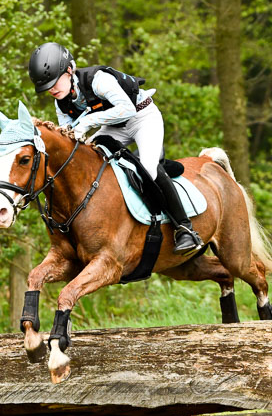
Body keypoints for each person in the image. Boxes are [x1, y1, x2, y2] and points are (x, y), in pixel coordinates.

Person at [28, 41, 203, 255]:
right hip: (113, 126)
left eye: (55, 82)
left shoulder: (98, 80)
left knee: (148, 167)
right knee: (92, 160)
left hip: (142, 117)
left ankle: (185, 228)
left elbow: (126, 109)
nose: (52, 90)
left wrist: (89, 122)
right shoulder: (61, 102)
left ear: (69, 70)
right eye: (47, 87)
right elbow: (69, 133)